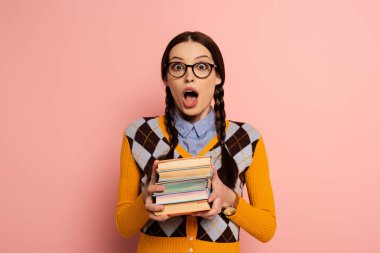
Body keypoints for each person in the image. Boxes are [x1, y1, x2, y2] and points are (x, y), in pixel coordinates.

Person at [115, 31, 277, 253]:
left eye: (201, 67)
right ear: (166, 78)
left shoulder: (247, 139)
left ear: (218, 76)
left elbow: (267, 229)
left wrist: (230, 200)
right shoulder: (139, 134)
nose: (189, 77)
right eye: (178, 67)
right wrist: (146, 200)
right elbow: (123, 226)